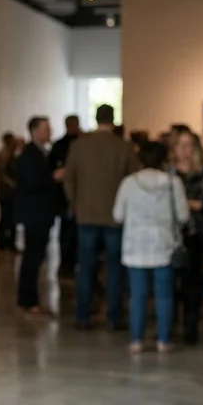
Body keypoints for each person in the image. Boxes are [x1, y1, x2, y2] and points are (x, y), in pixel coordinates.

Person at [63, 104, 139, 330]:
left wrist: (75, 205)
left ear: (95, 119)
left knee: (85, 267)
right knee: (114, 268)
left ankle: (83, 315)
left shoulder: (79, 145)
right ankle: (113, 317)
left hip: (85, 214)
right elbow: (134, 179)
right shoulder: (123, 147)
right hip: (115, 216)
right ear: (113, 119)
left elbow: (69, 179)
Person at [113, 141, 188, 353]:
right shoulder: (173, 183)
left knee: (137, 295)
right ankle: (163, 340)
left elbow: (117, 215)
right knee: (164, 295)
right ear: (164, 159)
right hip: (164, 243)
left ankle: (136, 340)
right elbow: (183, 215)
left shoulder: (129, 183)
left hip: (134, 244)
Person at [170, 130, 203, 345]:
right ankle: (168, 325)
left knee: (193, 282)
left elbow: (201, 203)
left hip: (196, 233)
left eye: (189, 145)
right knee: (169, 281)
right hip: (170, 233)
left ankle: (190, 327)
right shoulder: (167, 173)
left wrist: (177, 203)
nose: (185, 150)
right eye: (181, 145)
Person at [16, 117, 57, 314]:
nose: (50, 132)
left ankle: (28, 298)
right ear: (34, 131)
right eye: (46, 129)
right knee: (33, 256)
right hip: (35, 214)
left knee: (36, 255)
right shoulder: (30, 155)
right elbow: (31, 184)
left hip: (40, 213)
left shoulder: (40, 153)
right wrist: (52, 178)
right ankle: (28, 299)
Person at [50, 114, 82, 276]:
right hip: (66, 198)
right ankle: (67, 263)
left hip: (75, 196)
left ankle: (72, 262)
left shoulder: (80, 144)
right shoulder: (62, 145)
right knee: (67, 232)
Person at [0, 132, 19, 251]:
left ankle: (8, 242)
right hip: (5, 193)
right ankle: (3, 242)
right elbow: (2, 175)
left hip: (9, 193)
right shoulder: (3, 156)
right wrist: (12, 183)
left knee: (10, 218)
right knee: (5, 217)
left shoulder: (10, 155)